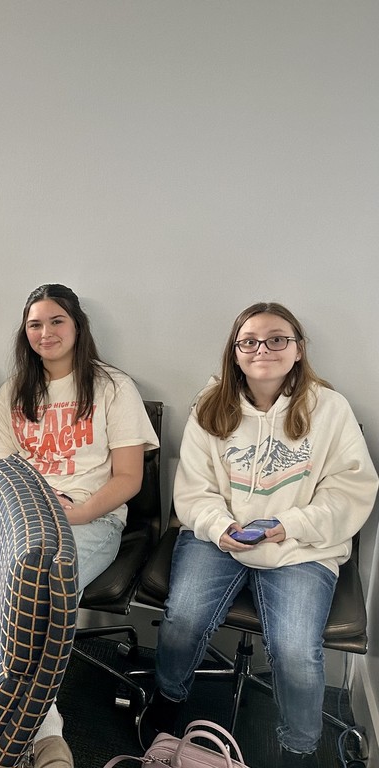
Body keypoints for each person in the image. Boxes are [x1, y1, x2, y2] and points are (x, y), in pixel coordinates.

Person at [140, 302, 378, 767]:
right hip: (220, 538)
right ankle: (169, 699)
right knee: (182, 618)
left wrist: (288, 526)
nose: (261, 349)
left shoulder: (329, 409)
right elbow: (194, 488)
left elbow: (351, 491)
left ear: (298, 349)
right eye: (248, 341)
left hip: (300, 546)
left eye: (276, 339)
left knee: (295, 650)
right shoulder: (210, 406)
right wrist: (220, 527)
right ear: (234, 352)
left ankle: (298, 748)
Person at [0, 284, 158, 766]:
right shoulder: (11, 394)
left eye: (56, 321)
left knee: (32, 601)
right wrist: (27, 514)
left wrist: (77, 512)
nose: (46, 332)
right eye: (35, 324)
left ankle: (40, 737)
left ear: (78, 327)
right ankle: (42, 733)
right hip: (22, 519)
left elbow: (129, 478)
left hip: (91, 521)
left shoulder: (112, 387)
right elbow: (2, 475)